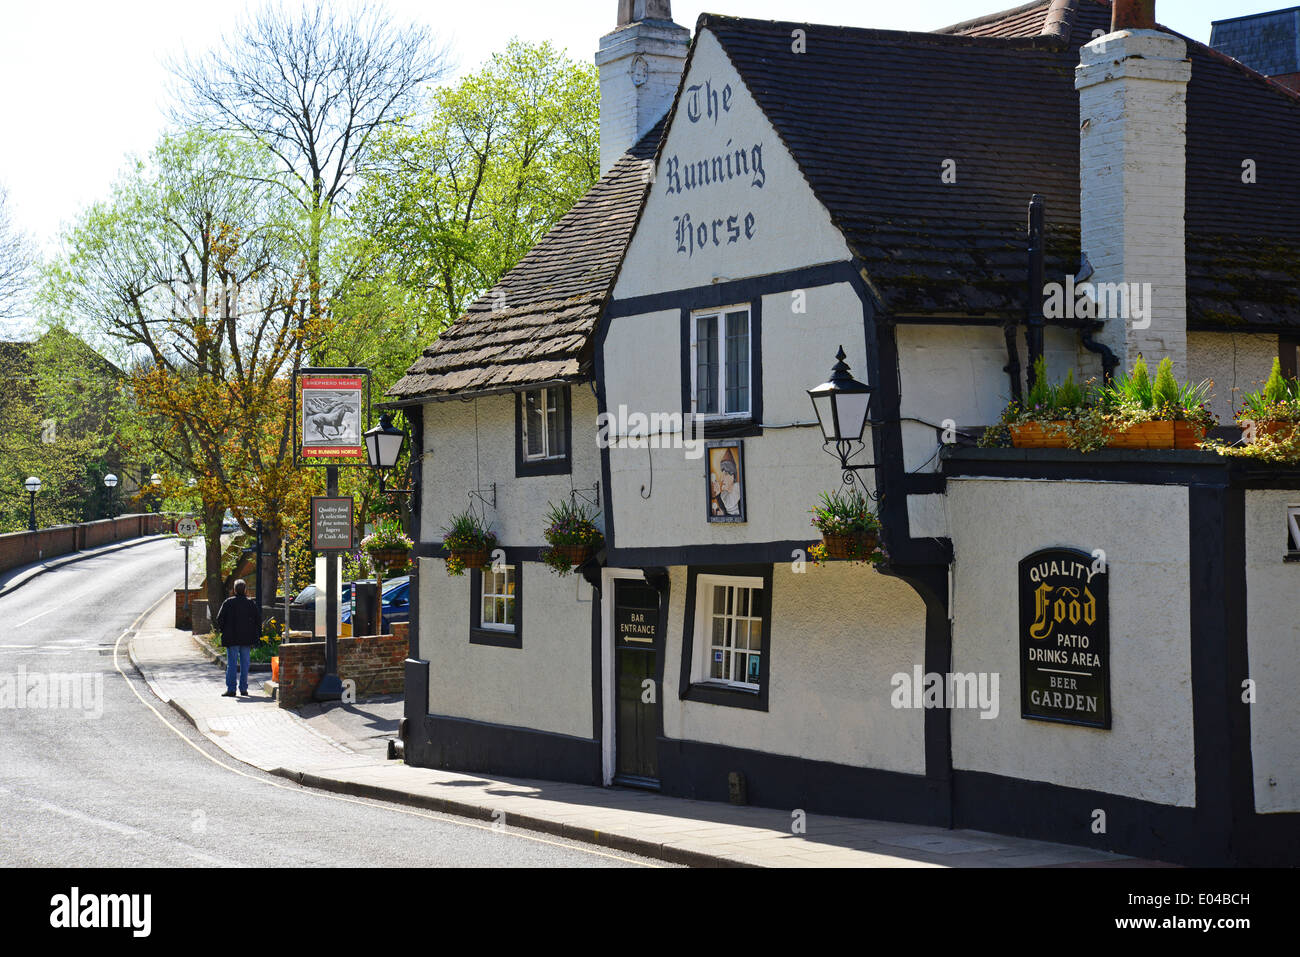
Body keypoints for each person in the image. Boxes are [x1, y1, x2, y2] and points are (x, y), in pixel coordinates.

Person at [214, 579, 260, 697]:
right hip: (246, 638)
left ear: (234, 590)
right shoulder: (250, 604)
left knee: (232, 664)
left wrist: (225, 630)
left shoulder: (228, 603)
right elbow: (257, 621)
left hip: (232, 638)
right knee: (245, 664)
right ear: (245, 590)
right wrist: (254, 634)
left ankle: (231, 689)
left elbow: (219, 620)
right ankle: (243, 689)